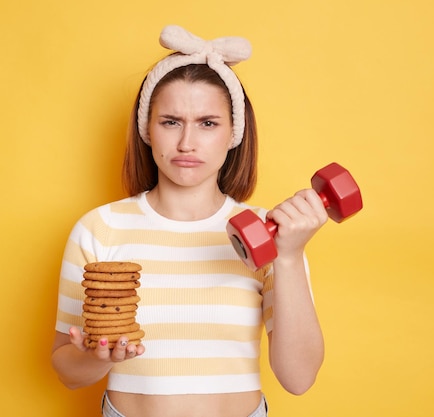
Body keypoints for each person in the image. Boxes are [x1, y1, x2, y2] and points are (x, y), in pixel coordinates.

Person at [51, 25, 326, 417]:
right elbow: (67, 370)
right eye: (171, 121)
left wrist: (289, 256)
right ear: (147, 128)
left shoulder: (270, 232)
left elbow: (298, 379)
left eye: (208, 123)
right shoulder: (100, 228)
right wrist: (100, 357)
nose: (186, 143)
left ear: (234, 133)